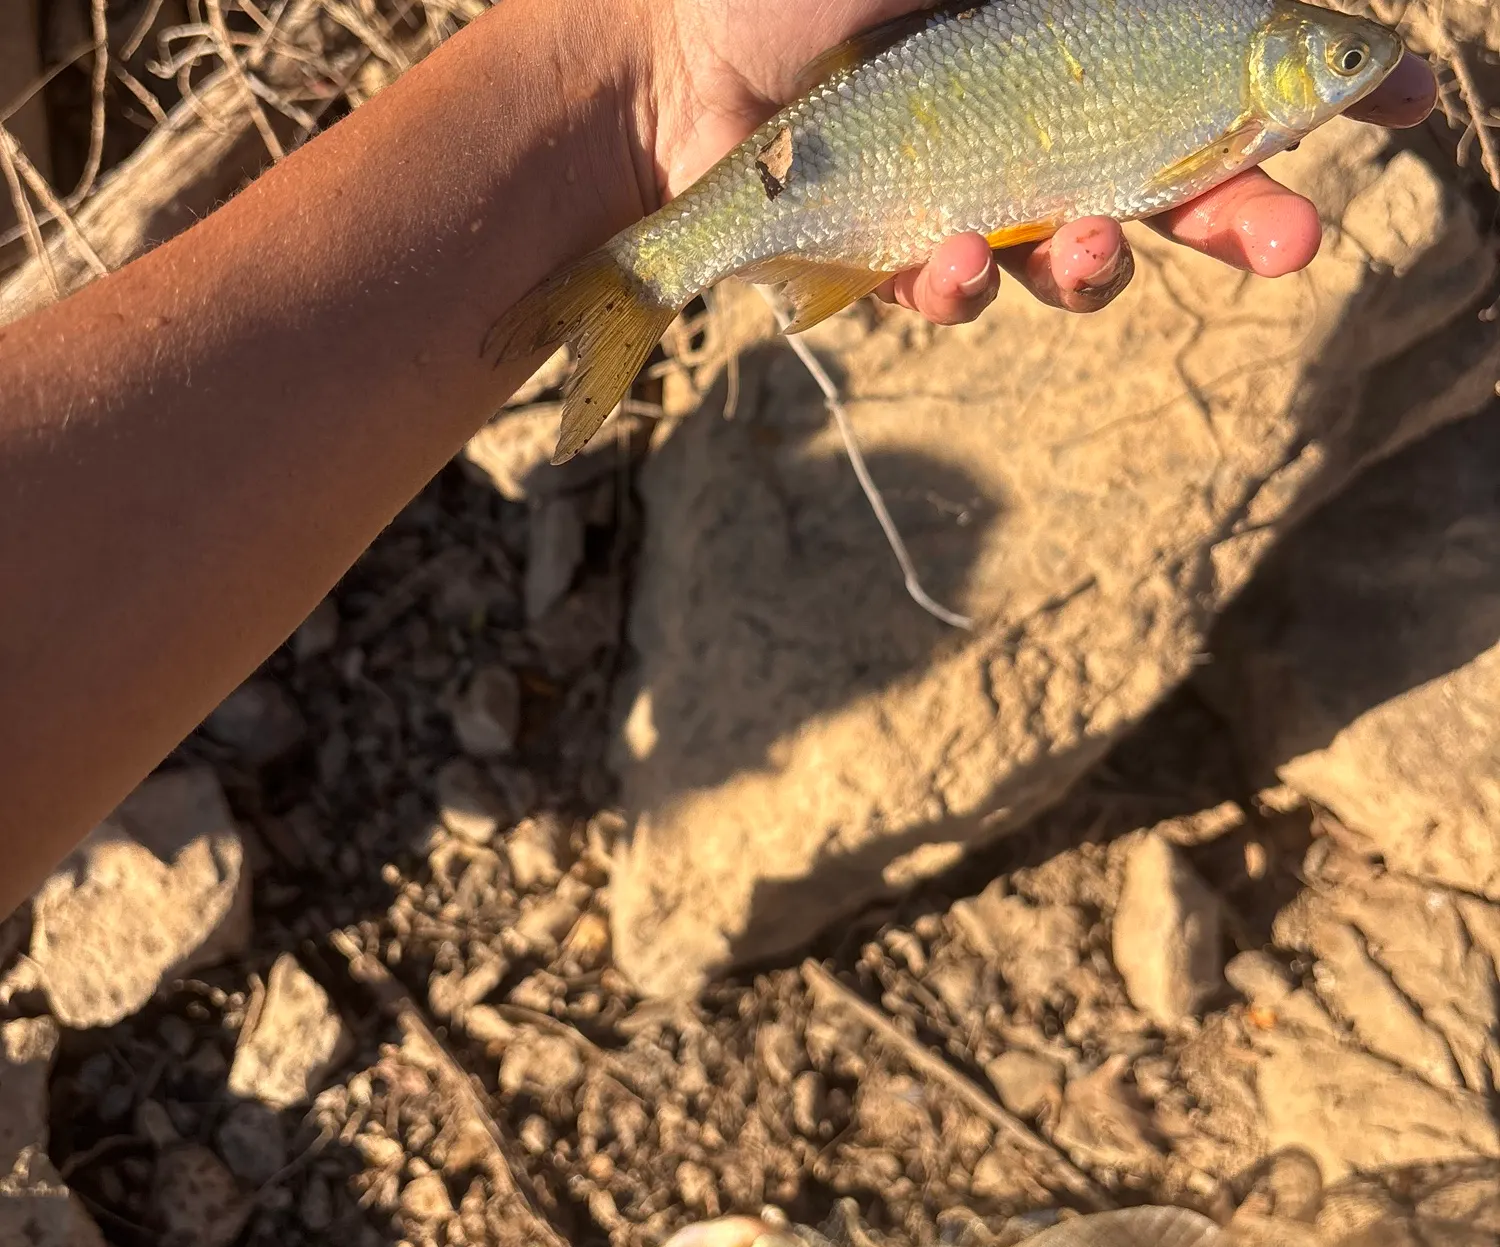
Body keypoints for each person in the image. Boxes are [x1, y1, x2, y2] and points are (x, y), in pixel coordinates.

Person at [0, 0, 1436, 917]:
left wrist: (656, 50)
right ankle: (622, 285)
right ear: (1285, 64)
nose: (1356, 75)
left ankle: (626, 269)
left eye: (1351, 62)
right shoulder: (1235, 67)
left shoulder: (1225, 49)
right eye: (1342, 60)